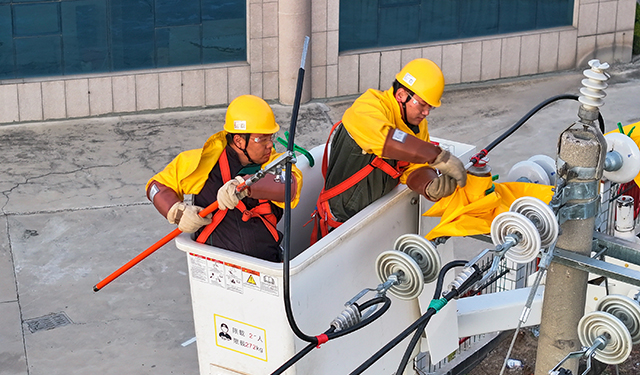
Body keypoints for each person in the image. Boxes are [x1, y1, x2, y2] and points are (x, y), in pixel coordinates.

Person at [312, 58, 467, 241]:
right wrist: (439, 157)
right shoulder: (368, 107)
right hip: (340, 223)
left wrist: (429, 185)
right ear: (401, 94)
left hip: (374, 218)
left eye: (430, 107)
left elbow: (414, 167)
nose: (426, 112)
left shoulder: (417, 127)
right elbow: (386, 139)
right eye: (422, 104)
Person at [146, 95, 303, 262]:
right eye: (262, 139)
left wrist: (246, 185)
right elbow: (155, 187)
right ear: (239, 140)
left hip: (263, 267)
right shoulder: (203, 162)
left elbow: (290, 185)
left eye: (270, 137)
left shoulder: (273, 164)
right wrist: (177, 211)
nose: (270, 144)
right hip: (212, 265)